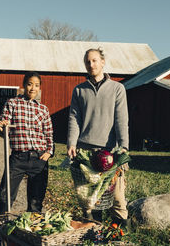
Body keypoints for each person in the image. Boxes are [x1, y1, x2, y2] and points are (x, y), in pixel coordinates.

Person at [67, 47, 130, 227]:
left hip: (109, 152)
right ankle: (94, 235)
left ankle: (120, 236)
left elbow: (121, 119)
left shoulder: (117, 89)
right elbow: (74, 118)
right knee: (90, 201)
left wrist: (123, 147)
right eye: (87, 61)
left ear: (103, 62)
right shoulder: (79, 90)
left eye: (94, 60)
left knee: (117, 198)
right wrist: (72, 142)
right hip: (85, 152)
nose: (91, 64)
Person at [0, 71, 54, 215]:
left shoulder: (43, 109)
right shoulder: (12, 103)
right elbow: (3, 128)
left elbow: (49, 133)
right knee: (4, 196)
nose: (33, 88)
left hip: (39, 159)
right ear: (24, 85)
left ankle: (31, 234)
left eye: (36, 85)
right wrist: (2, 127)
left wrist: (49, 152)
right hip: (18, 158)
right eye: (30, 84)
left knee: (36, 200)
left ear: (40, 88)